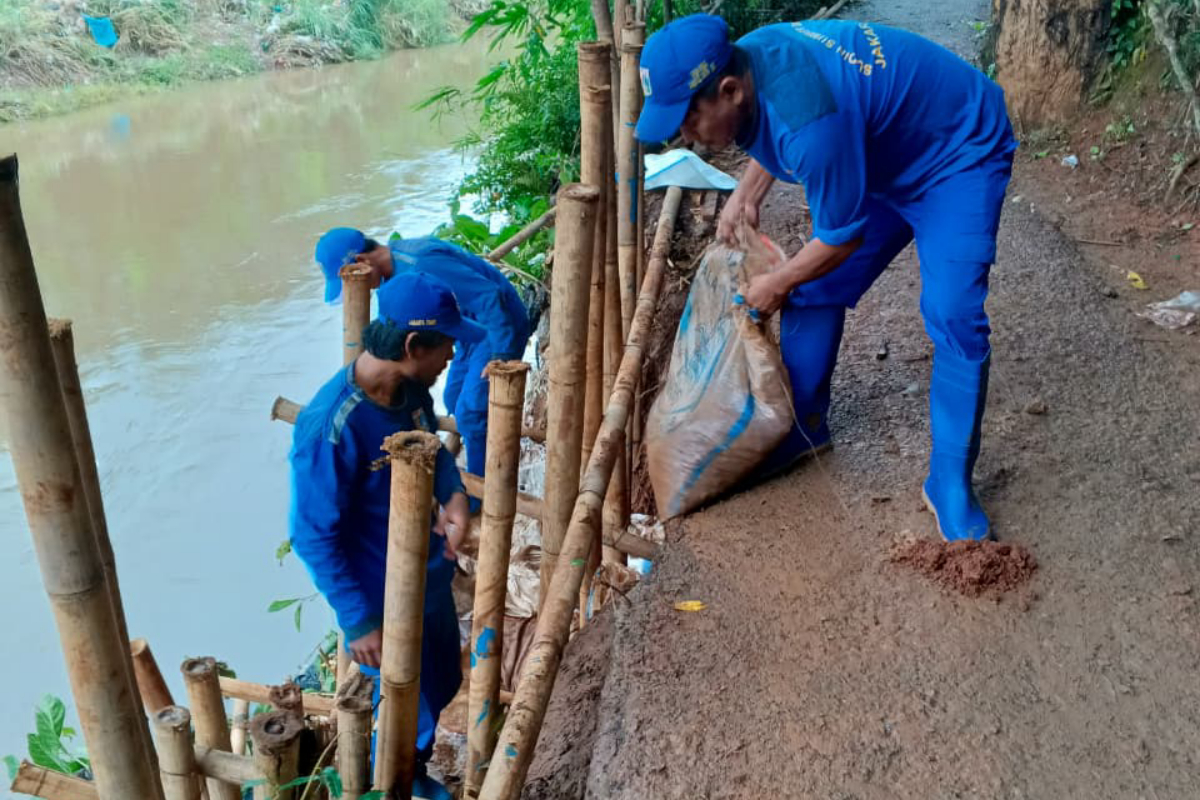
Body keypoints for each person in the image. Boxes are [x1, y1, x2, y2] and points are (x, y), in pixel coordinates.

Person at [635, 15, 1016, 541]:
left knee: (953, 314)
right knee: (815, 286)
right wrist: (749, 189)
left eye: (688, 119)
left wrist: (775, 284)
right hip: (879, 153)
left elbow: (841, 236)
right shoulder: (751, 59)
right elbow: (780, 129)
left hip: (957, 152)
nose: (684, 135)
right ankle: (806, 426)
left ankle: (949, 480)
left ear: (728, 90)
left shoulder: (810, 124)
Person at [288, 271, 485, 799]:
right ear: (413, 345)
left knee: (442, 680)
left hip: (428, 577)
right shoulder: (332, 427)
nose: (451, 356)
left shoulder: (410, 389)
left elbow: (434, 452)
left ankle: (412, 765)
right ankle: (395, 782)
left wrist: (456, 498)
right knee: (404, 703)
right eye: (445, 344)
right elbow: (312, 536)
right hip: (380, 599)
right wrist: (357, 621)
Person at [315, 229, 530, 485]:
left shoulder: (423, 263)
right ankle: (483, 445)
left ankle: (484, 486)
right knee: (453, 397)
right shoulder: (393, 271)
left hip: (496, 327)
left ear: (362, 262)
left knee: (471, 411)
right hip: (463, 328)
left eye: (355, 280)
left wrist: (501, 356)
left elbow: (491, 297)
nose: (361, 288)